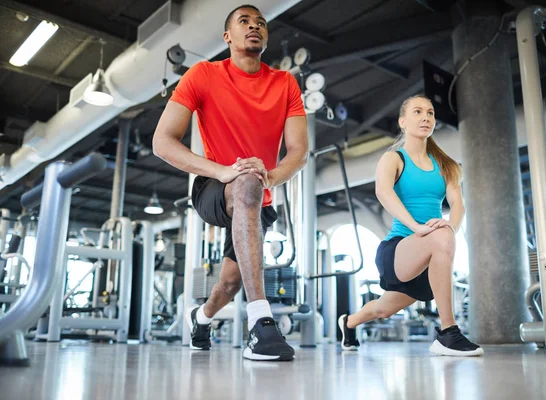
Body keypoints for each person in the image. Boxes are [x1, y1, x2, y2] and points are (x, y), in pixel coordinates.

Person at [152, 4, 308, 361]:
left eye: (261, 23)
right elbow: (162, 142)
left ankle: (201, 317)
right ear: (228, 37)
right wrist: (222, 170)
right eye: (244, 22)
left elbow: (298, 152)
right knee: (246, 183)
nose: (255, 26)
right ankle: (261, 325)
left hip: (259, 193)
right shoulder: (203, 74)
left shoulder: (285, 83)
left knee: (230, 282)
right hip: (213, 187)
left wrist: (271, 175)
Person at [337, 95, 483, 357]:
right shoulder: (393, 158)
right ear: (403, 122)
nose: (425, 117)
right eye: (417, 112)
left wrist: (450, 225)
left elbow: (458, 205)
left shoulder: (446, 165)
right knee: (440, 235)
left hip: (429, 259)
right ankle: (448, 332)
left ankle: (348, 322)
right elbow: (383, 192)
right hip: (398, 250)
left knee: (383, 309)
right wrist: (417, 227)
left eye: (430, 113)